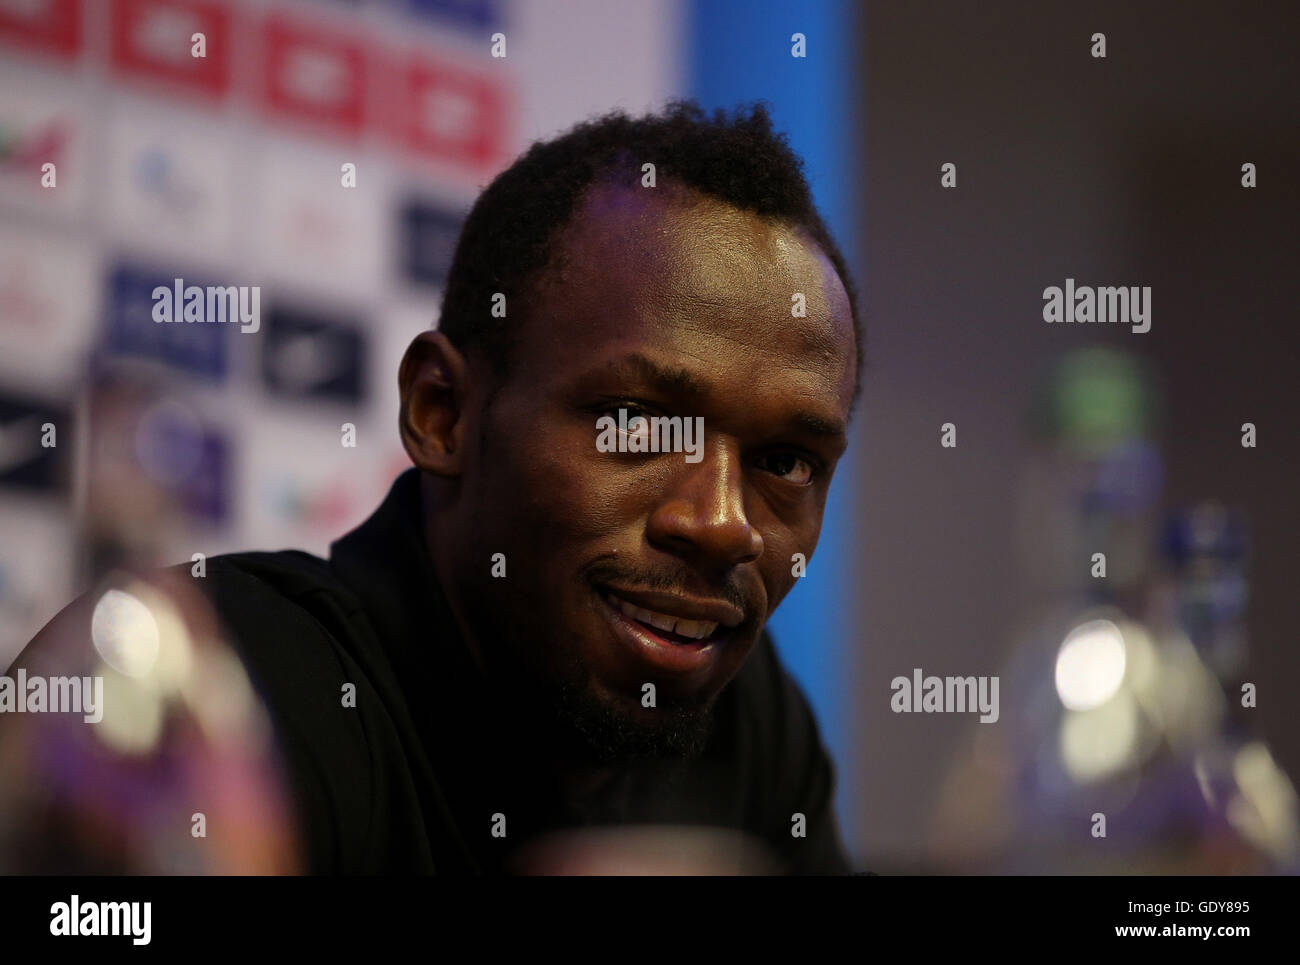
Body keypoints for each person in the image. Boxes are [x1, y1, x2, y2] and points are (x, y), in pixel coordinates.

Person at [10, 100, 862, 875]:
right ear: (443, 413)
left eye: (786, 462)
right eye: (638, 422)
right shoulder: (212, 692)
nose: (721, 523)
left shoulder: (749, 723)